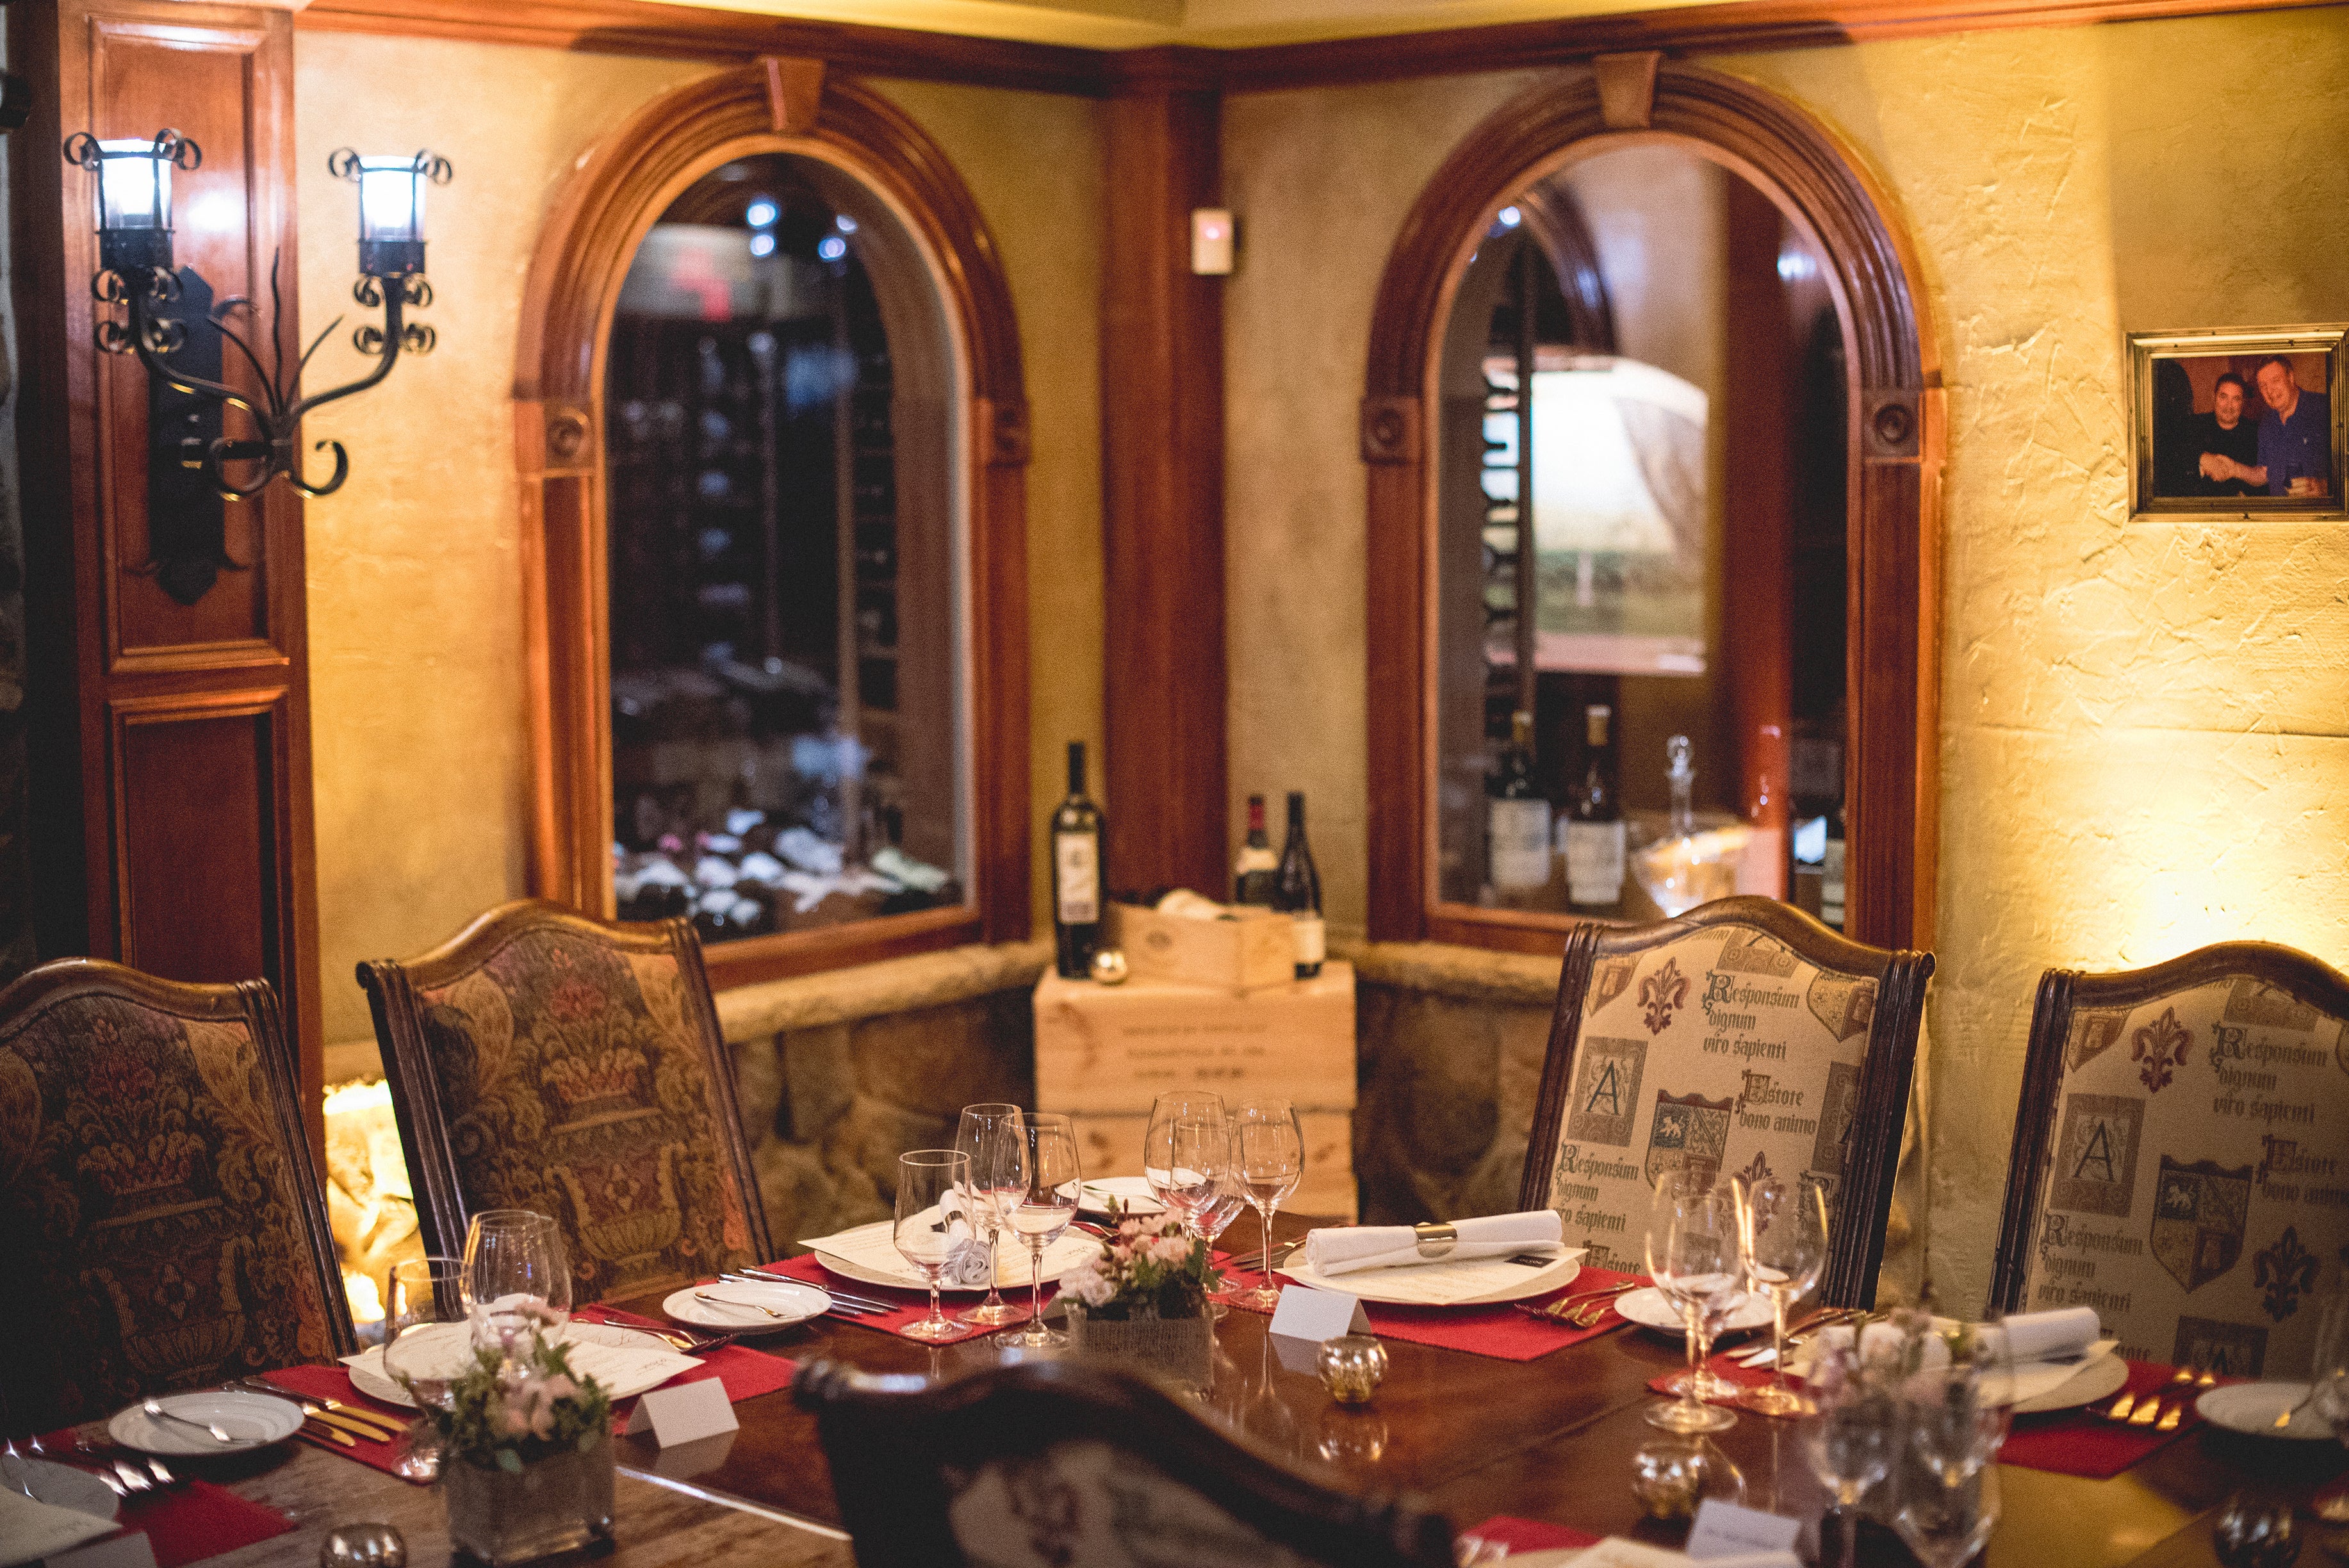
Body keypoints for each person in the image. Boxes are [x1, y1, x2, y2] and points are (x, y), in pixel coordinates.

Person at [2204, 355, 2332, 496]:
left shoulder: (2326, 409)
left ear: (2290, 377)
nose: (2270, 391)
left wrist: (2324, 487)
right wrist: (2235, 469)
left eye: (2275, 381)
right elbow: (2264, 474)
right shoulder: (2267, 422)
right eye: (2263, 386)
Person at [2189, 372, 2262, 496]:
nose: (2229, 406)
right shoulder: (2195, 425)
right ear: (2214, 397)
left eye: (2236, 399)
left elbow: (2263, 482)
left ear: (2243, 402)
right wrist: (2201, 457)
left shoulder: (2256, 433)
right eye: (2224, 397)